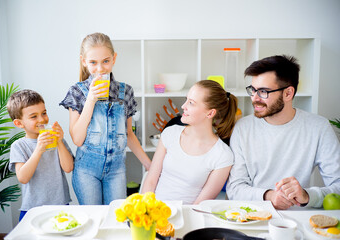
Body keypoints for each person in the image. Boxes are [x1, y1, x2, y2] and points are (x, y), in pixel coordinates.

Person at [226, 55, 340, 209]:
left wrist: (306, 196)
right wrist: (269, 196)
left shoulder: (319, 128)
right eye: (253, 90)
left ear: (288, 93)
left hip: (299, 219)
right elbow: (234, 189)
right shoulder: (243, 128)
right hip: (252, 214)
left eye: (263, 91)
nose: (254, 98)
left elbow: (338, 187)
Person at [59, 32, 151, 205]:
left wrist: (150, 166)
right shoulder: (77, 92)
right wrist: (91, 100)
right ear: (84, 61)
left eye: (105, 61)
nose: (100, 69)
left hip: (116, 171)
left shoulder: (126, 92)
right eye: (93, 62)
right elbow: (77, 139)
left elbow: (129, 135)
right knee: (94, 221)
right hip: (86, 171)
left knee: (116, 220)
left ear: (114, 59)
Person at [141, 80, 238, 204]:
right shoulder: (170, 134)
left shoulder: (223, 155)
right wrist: (146, 211)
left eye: (191, 103)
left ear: (210, 113)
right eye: (186, 99)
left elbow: (200, 205)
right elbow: (150, 181)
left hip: (188, 217)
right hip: (154, 212)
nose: (183, 106)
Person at [7, 89, 73, 221]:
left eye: (44, 113)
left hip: (60, 205)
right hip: (32, 208)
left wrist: (59, 141)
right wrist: (38, 150)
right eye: (34, 116)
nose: (42, 119)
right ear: (19, 123)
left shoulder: (56, 139)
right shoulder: (19, 146)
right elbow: (23, 178)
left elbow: (68, 167)